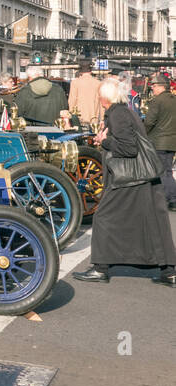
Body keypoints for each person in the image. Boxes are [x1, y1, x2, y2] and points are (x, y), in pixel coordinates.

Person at [75, 77, 176, 286]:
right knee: (153, 223)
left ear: (104, 97)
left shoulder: (117, 114)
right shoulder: (124, 110)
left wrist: (104, 141)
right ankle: (169, 272)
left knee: (102, 216)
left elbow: (128, 148)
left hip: (128, 179)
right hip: (141, 180)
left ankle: (100, 269)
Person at [144, 72, 176, 210]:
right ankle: (169, 197)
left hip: (159, 142)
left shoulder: (157, 101)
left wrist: (142, 133)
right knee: (167, 170)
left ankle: (172, 198)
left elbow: (149, 122)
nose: (153, 89)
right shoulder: (174, 100)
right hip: (172, 141)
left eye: (154, 86)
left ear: (161, 87)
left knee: (163, 172)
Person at [68, 60, 101, 129]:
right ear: (91, 71)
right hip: (94, 117)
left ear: (80, 71)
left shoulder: (75, 83)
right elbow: (101, 102)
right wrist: (102, 118)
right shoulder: (98, 83)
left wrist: (71, 115)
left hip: (79, 117)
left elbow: (72, 101)